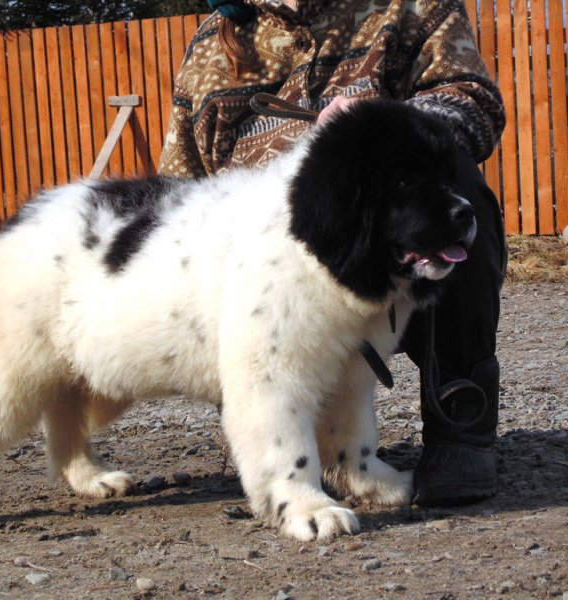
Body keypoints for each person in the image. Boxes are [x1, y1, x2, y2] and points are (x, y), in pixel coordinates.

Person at [158, 0, 507, 507]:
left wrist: (385, 125)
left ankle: (459, 416)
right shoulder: (215, 39)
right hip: (268, 282)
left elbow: (474, 102)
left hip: (389, 248)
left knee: (458, 198)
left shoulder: (410, 7)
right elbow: (181, 186)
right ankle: (302, 444)